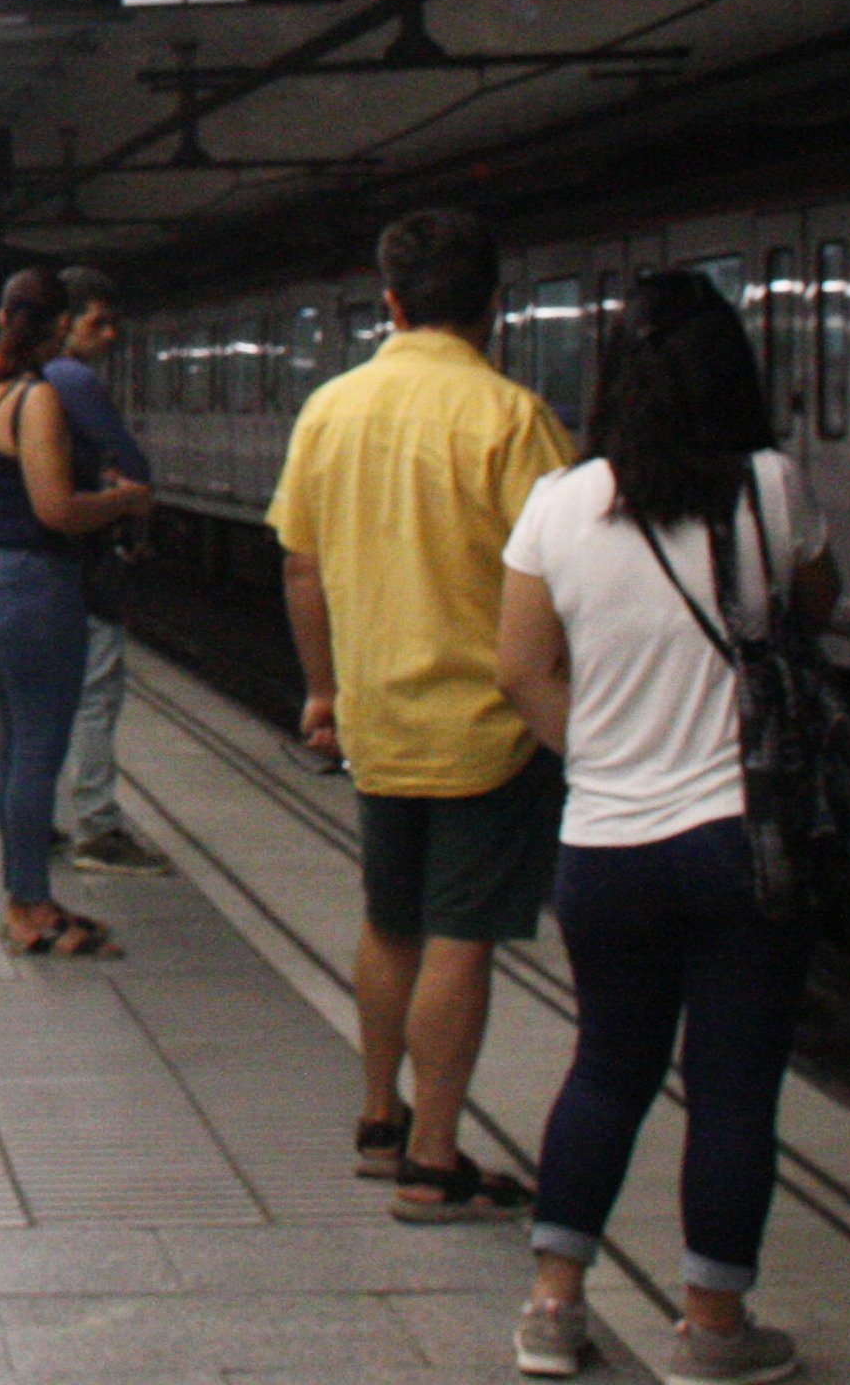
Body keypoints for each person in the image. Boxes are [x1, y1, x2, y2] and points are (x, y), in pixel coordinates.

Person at [497, 272, 837, 1383]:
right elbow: (816, 609)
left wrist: (598, 756)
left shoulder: (559, 504)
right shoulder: (771, 487)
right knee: (734, 1086)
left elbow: (521, 670)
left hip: (604, 843)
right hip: (745, 836)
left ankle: (554, 1307)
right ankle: (713, 1330)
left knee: (605, 1069)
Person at [268, 208, 573, 1225]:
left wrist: (323, 689)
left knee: (389, 920)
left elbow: (301, 564)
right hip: (489, 724)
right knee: (460, 940)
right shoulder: (515, 420)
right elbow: (567, 573)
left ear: (391, 303)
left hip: (377, 719)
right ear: (494, 306)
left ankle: (377, 1120)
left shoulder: (330, 409)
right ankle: (435, 1160)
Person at [0, 269, 153, 955]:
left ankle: (23, 896)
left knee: (15, 751)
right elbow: (57, 510)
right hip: (36, 586)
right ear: (57, 327)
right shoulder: (32, 398)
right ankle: (31, 911)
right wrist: (123, 501)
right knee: (40, 755)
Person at [47, 269, 174, 877]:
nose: (110, 334)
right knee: (96, 695)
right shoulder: (72, 378)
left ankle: (37, 820)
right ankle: (97, 828)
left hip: (26, 570)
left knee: (39, 704)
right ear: (62, 322)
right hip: (81, 566)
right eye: (96, 321)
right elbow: (131, 458)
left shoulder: (4, 380)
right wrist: (127, 491)